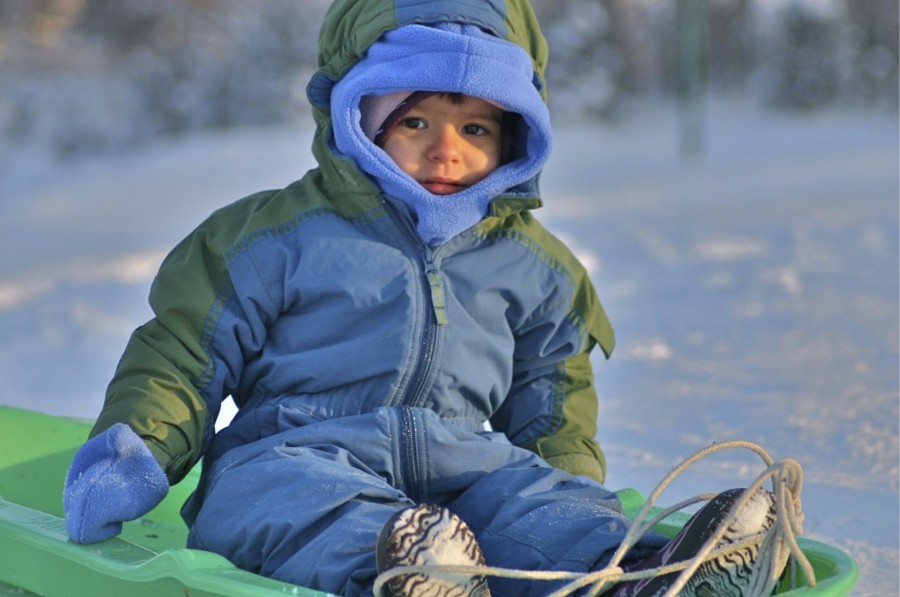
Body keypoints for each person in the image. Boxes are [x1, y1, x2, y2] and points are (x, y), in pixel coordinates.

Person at [62, 1, 784, 596]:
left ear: (513, 137)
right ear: (360, 118)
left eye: (474, 128)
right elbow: (184, 352)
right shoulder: (274, 237)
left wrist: (565, 489)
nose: (447, 150)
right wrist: (137, 453)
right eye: (416, 122)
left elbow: (552, 389)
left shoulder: (535, 266)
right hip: (296, 451)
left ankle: (650, 576)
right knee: (276, 501)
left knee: (538, 508)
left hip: (462, 466)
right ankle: (413, 576)